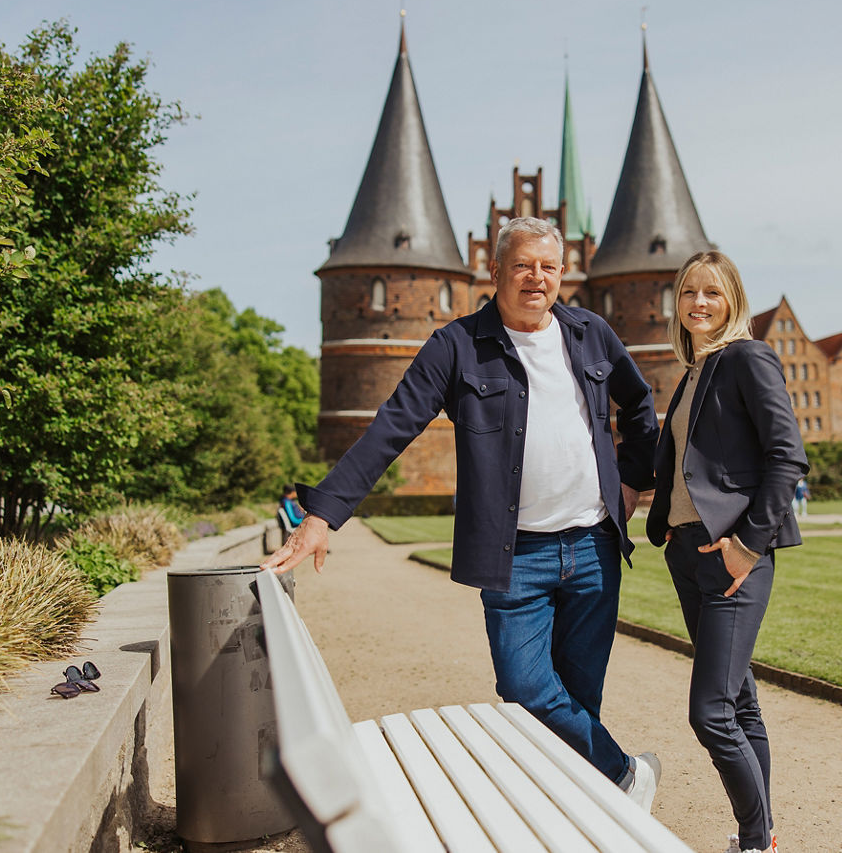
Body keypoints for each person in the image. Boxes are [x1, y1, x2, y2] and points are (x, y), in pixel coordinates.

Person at [261, 216, 663, 808]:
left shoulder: (591, 334)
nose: (537, 278)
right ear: (495, 271)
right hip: (516, 554)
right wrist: (321, 516)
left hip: (593, 546)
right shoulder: (456, 346)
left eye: (548, 267)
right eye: (523, 265)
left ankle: (575, 813)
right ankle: (626, 775)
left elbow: (639, 405)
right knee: (525, 687)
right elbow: (392, 427)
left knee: (579, 696)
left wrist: (632, 479)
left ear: (561, 274)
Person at [646, 251, 808, 853]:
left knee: (710, 713)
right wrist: (662, 522)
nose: (699, 303)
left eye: (712, 293)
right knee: (738, 703)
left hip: (733, 557)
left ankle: (752, 838)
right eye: (689, 293)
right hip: (690, 555)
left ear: (733, 299)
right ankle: (762, 836)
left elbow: (786, 457)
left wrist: (746, 546)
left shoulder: (748, 358)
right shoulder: (694, 372)